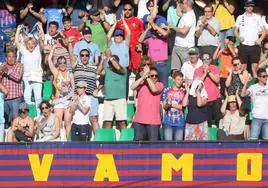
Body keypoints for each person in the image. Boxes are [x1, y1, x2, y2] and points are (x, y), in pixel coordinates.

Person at [15, 23, 44, 115]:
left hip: (37, 77)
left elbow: (42, 39)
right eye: (29, 44)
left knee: (38, 98)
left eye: (32, 44)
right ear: (26, 44)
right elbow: (17, 43)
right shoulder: (24, 51)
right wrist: (18, 31)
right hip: (26, 77)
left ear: (35, 44)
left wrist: (41, 28)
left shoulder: (38, 49)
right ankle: (29, 116)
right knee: (27, 98)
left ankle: (39, 116)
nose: (31, 45)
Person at [48, 45, 75, 138]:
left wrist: (72, 101)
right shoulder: (56, 72)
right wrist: (52, 49)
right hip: (58, 101)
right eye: (60, 63)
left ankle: (69, 141)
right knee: (58, 121)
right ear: (58, 64)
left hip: (68, 101)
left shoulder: (70, 74)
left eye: (64, 62)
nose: (62, 64)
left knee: (68, 121)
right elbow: (49, 61)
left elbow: (74, 88)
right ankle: (57, 140)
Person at [131, 66, 164, 141]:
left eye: (156, 76)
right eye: (152, 75)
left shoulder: (160, 85)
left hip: (153, 122)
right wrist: (143, 76)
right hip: (139, 121)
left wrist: (148, 77)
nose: (154, 77)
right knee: (138, 146)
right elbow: (132, 87)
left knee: (153, 147)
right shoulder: (142, 84)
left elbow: (154, 89)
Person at [73, 48, 101, 134]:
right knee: (75, 119)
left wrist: (98, 88)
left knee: (94, 119)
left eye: (86, 55)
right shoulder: (75, 67)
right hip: (79, 97)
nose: (84, 57)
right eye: (82, 55)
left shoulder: (94, 67)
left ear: (89, 57)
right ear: (79, 57)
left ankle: (99, 142)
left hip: (91, 96)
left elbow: (104, 77)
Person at [234, 0, 266, 77]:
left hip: (254, 46)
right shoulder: (240, 17)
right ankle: (243, 87)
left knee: (255, 68)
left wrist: (260, 39)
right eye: (248, 6)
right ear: (245, 7)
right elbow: (235, 30)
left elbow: (264, 31)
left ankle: (255, 86)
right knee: (243, 67)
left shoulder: (257, 17)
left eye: (251, 6)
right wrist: (238, 37)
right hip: (243, 45)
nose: (250, 7)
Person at [98, 50, 127, 131]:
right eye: (110, 62)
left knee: (122, 122)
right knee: (107, 122)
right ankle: (106, 142)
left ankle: (125, 141)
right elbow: (98, 71)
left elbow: (117, 67)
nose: (111, 63)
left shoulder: (123, 70)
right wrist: (102, 60)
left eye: (113, 61)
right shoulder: (107, 70)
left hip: (120, 99)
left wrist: (110, 57)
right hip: (108, 99)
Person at [139, 16, 169, 87]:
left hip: (162, 64)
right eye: (152, 31)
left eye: (155, 31)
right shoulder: (149, 40)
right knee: (152, 85)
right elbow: (140, 40)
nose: (154, 32)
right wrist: (147, 29)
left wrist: (154, 25)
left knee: (163, 85)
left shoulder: (163, 38)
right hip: (152, 65)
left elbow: (165, 33)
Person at [194, 53, 221, 127]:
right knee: (207, 122)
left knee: (218, 120)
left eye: (207, 59)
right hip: (205, 99)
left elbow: (217, 80)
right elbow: (197, 83)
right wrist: (205, 73)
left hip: (216, 98)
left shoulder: (215, 68)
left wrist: (209, 72)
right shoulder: (197, 70)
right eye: (204, 59)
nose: (206, 60)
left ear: (211, 60)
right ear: (202, 60)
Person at [116, 2, 144, 72]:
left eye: (129, 9)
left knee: (137, 71)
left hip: (136, 50)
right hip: (124, 51)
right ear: (123, 10)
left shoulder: (138, 21)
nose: (127, 11)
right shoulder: (119, 22)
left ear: (133, 10)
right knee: (124, 71)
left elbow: (143, 34)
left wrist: (140, 44)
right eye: (125, 9)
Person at [169, 0, 196, 72]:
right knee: (175, 70)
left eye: (182, 4)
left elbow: (184, 31)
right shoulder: (185, 14)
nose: (180, 6)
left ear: (187, 4)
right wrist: (178, 2)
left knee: (187, 70)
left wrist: (172, 27)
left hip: (185, 48)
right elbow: (178, 12)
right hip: (177, 46)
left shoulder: (190, 16)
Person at [241, 68, 268, 140]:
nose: (266, 78)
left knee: (266, 142)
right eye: (264, 76)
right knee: (253, 140)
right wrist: (246, 82)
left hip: (267, 119)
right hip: (256, 118)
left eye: (267, 76)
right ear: (259, 78)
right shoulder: (253, 87)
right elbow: (243, 94)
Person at [0, 49, 24, 126]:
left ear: (16, 57)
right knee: (5, 120)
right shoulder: (2, 66)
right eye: (9, 57)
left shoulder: (19, 65)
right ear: (6, 58)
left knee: (16, 120)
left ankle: (16, 137)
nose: (11, 58)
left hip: (15, 98)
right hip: (5, 98)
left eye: (13, 57)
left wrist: (7, 71)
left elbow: (18, 77)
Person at [162, 71, 186, 141]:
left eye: (181, 80)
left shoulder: (184, 91)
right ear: (173, 79)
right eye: (178, 79)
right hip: (168, 122)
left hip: (180, 123)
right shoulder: (167, 90)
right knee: (168, 145)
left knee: (178, 147)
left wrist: (171, 104)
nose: (180, 82)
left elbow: (183, 107)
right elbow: (164, 107)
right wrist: (168, 104)